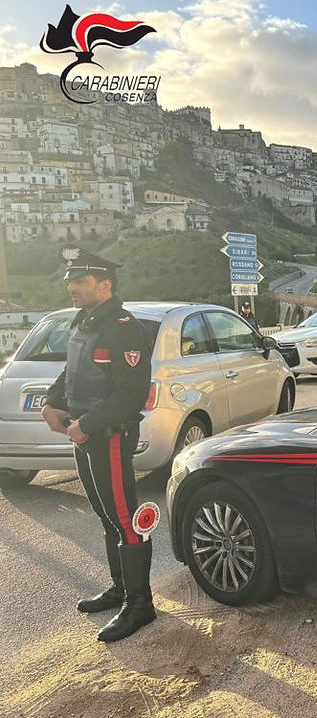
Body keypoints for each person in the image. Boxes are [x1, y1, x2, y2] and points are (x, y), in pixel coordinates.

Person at [41, 247, 155, 643]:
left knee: (125, 520)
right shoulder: (85, 320)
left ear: (105, 285)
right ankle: (121, 588)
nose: (71, 287)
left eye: (81, 281)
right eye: (70, 280)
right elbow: (71, 368)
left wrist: (87, 423)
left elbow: (132, 393)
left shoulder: (124, 327)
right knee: (107, 517)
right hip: (83, 432)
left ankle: (141, 605)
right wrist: (52, 403)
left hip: (108, 435)